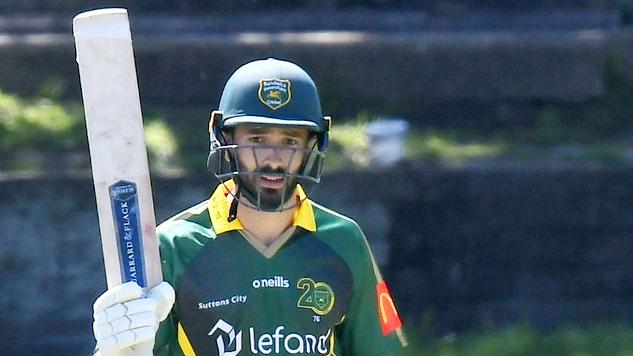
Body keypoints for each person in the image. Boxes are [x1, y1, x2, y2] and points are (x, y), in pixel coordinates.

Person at [92, 58, 408, 355]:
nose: (273, 160)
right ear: (223, 136)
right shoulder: (172, 246)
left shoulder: (343, 240)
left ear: (313, 145)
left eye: (290, 142)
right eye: (256, 140)